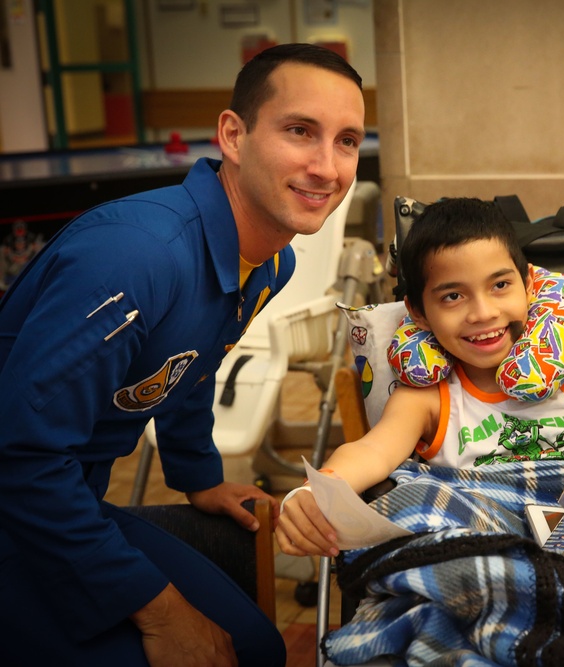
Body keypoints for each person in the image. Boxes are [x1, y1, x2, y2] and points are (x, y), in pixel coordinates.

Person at [0, 43, 366, 666]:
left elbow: (195, 363)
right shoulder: (136, 256)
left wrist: (197, 477)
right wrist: (163, 612)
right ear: (233, 134)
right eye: (300, 131)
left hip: (69, 498)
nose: (327, 167)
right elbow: (20, 458)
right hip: (22, 503)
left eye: (348, 140)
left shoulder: (273, 260)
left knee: (255, 649)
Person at [276, 197, 564, 558]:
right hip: (483, 538)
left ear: (529, 285)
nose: (482, 313)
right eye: (453, 296)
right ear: (419, 313)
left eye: (500, 285)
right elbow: (370, 453)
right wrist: (315, 493)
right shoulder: (426, 396)